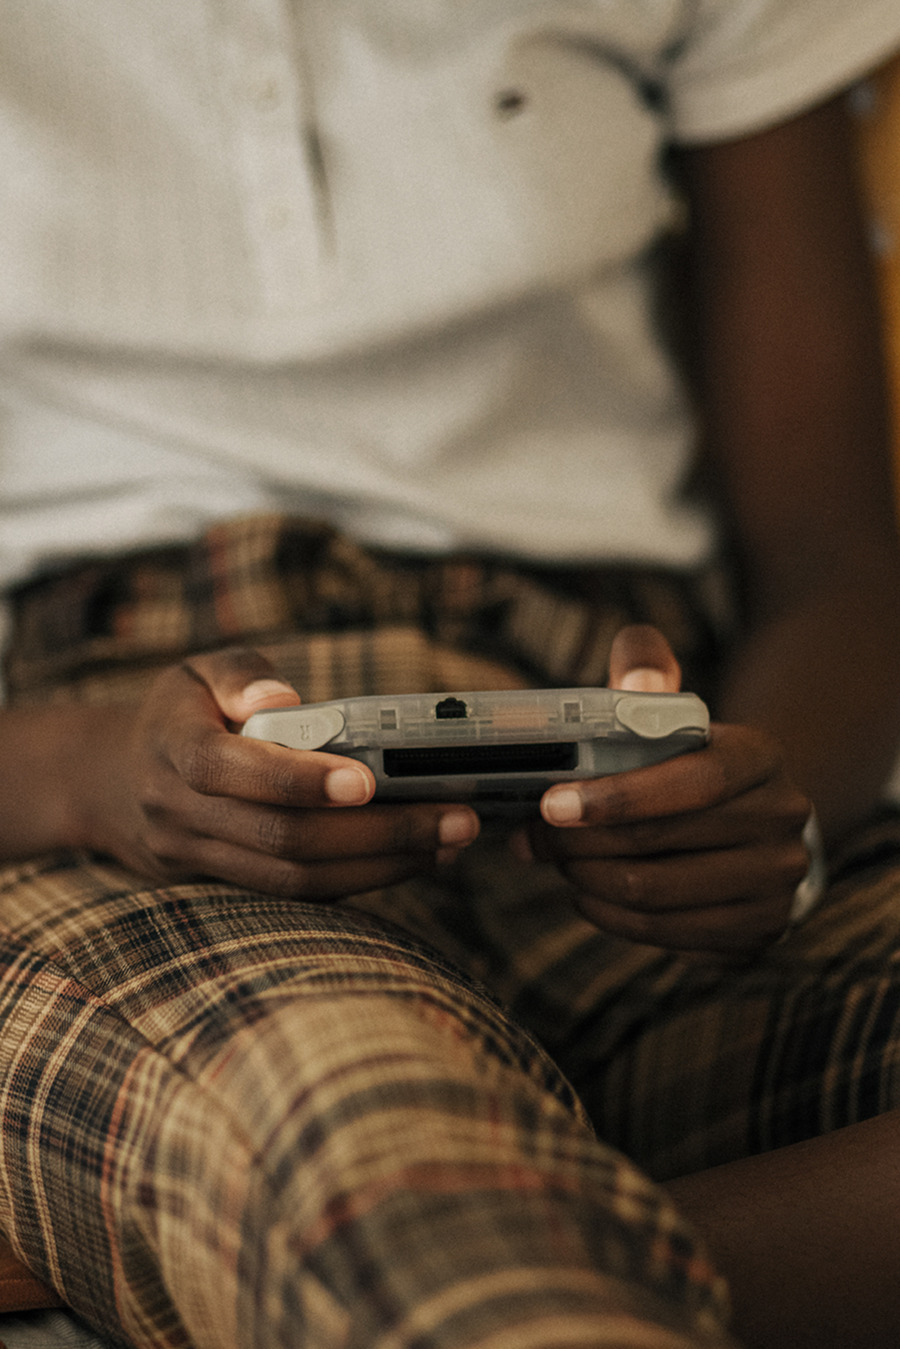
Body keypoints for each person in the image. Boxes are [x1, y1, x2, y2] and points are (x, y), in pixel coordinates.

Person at [2, 4, 900, 1347]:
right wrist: (98, 777)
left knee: (372, 1184)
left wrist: (773, 821)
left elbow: (837, 564)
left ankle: (417, 1259)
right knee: (330, 1104)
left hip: (636, 765)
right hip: (132, 800)